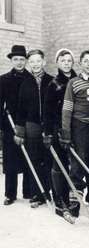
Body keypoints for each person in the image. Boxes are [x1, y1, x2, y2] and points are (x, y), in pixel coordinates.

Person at [61, 50, 89, 217]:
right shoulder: (73, 82)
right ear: (80, 64)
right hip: (80, 126)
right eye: (86, 61)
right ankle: (75, 202)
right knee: (79, 163)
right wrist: (66, 131)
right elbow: (67, 109)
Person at [14, 49, 54, 208]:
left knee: (49, 159)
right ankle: (38, 193)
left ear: (43, 62)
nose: (35, 65)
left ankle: (51, 192)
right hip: (32, 125)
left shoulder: (52, 80)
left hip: (48, 124)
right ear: (28, 64)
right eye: (32, 62)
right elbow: (20, 109)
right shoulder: (25, 83)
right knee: (34, 159)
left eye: (38, 61)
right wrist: (20, 131)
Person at [43, 48, 77, 220]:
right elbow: (47, 111)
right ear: (58, 63)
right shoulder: (54, 84)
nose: (66, 63)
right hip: (58, 129)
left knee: (76, 165)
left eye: (69, 60)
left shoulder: (78, 81)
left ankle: (75, 198)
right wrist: (48, 133)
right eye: (63, 61)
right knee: (60, 164)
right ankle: (60, 198)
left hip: (77, 127)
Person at [0, 45, 31, 205]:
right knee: (11, 160)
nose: (19, 62)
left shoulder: (31, 79)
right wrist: (3, 121)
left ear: (26, 60)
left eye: (21, 59)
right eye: (15, 59)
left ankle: (28, 192)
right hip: (9, 125)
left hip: (27, 124)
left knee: (28, 159)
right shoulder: (3, 80)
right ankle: (10, 194)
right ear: (11, 61)